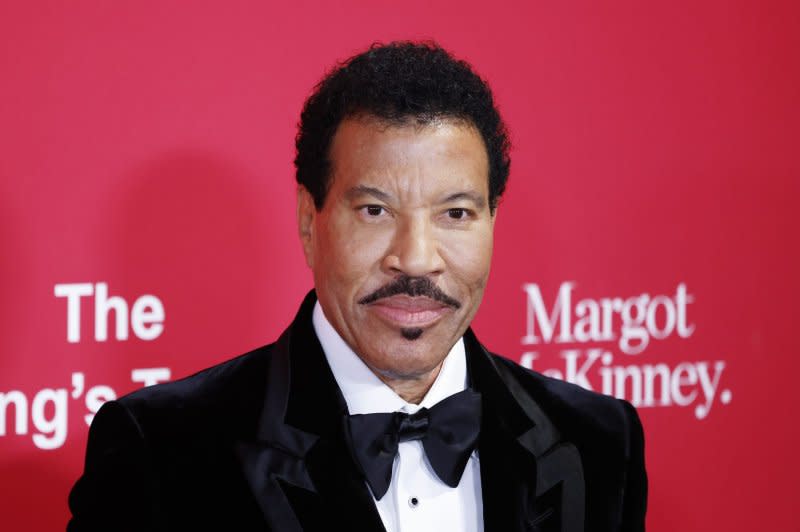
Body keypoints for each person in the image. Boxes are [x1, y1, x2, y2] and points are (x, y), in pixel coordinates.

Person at [67, 42, 647, 532]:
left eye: (456, 213)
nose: (416, 259)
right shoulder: (161, 453)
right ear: (308, 222)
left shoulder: (598, 443)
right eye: (374, 210)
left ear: (494, 219)